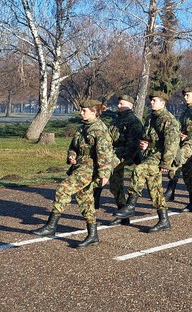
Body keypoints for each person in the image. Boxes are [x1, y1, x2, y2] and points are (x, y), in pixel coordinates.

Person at [32, 100, 113, 248]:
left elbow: (106, 154)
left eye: (84, 111)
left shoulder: (99, 129)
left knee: (63, 189)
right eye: (81, 110)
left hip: (90, 168)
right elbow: (73, 146)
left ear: (94, 112)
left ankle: (51, 227)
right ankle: (93, 235)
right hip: (80, 167)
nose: (81, 113)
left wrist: (104, 174)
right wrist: (72, 155)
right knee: (85, 200)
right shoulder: (82, 128)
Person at [114, 91, 180, 233]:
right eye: (151, 100)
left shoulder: (168, 120)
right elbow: (148, 137)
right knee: (154, 188)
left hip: (160, 157)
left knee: (139, 170)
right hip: (151, 155)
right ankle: (164, 221)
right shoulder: (151, 118)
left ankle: (131, 205)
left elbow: (172, 144)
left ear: (163, 103)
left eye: (154, 100)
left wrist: (166, 164)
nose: (151, 102)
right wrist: (145, 144)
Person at [107, 95, 143, 226]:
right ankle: (123, 214)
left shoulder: (133, 121)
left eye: (122, 104)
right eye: (119, 103)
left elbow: (133, 143)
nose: (119, 106)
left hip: (125, 155)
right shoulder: (116, 119)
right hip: (114, 153)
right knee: (115, 185)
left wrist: (124, 158)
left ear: (130, 105)